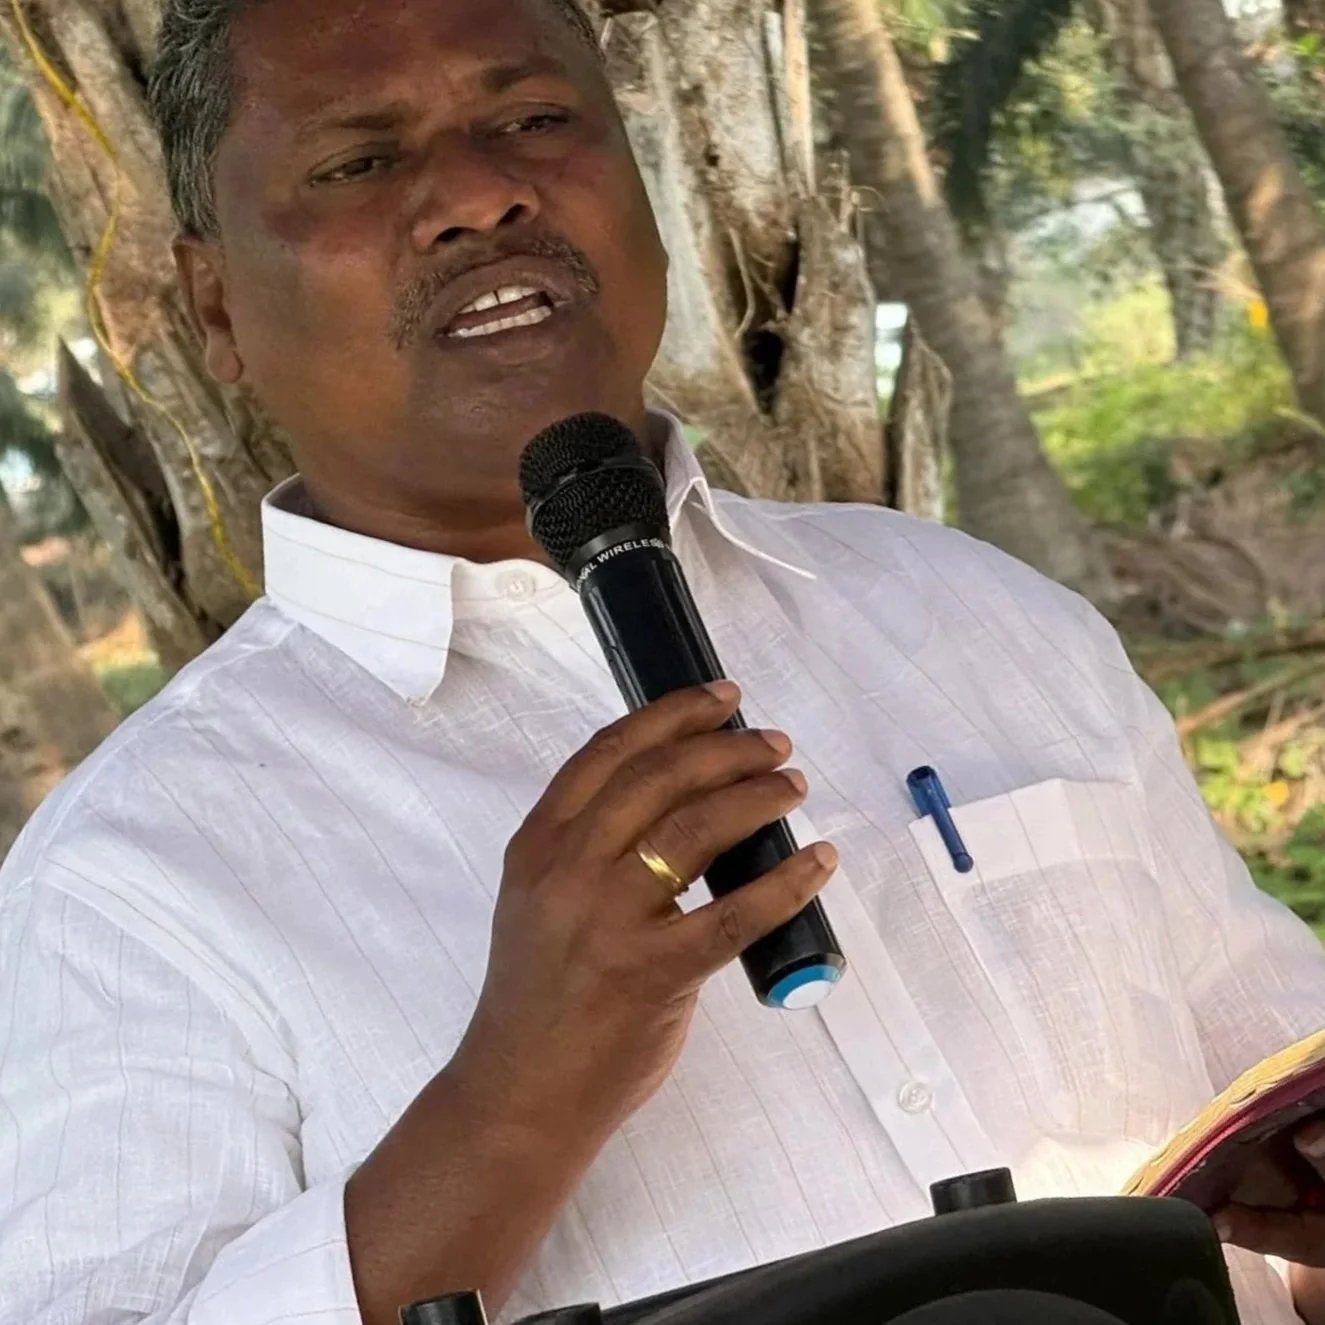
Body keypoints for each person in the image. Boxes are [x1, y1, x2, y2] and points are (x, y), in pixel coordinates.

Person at [1, 0, 1323, 1322]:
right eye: (360, 159)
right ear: (216, 303)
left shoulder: (976, 617)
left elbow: (1274, 1148)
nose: (479, 194)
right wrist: (514, 1100)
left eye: (533, 118)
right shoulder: (129, 883)